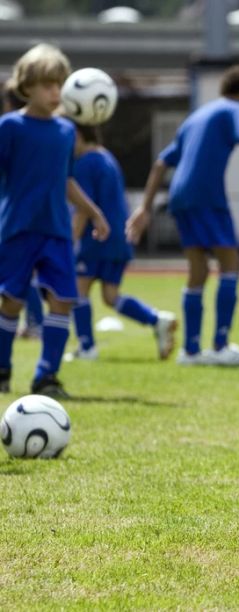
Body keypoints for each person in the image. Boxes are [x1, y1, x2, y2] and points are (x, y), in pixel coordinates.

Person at [126, 64, 239, 366]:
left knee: (197, 271)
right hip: (206, 196)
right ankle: (220, 345)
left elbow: (161, 164)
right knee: (230, 265)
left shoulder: (197, 116)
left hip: (180, 196)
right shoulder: (234, 108)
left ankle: (190, 351)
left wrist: (144, 208)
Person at [0, 43, 110, 397]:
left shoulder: (65, 132)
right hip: (18, 227)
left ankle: (47, 377)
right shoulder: (10, 127)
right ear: (26, 87)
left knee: (63, 298)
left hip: (57, 231)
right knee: (11, 302)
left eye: (58, 84)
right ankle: (2, 369)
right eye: (47, 85)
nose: (53, 92)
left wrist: (93, 212)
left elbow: (66, 181)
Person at [67, 123, 177, 361]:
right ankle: (157, 320)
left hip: (96, 239)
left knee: (78, 290)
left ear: (76, 136)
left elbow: (84, 209)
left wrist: (70, 241)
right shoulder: (106, 157)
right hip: (119, 238)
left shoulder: (85, 162)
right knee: (110, 296)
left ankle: (86, 348)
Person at [1, 78, 44, 340]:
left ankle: (36, 323)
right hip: (25, 215)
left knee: (19, 276)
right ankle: (35, 322)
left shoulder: (12, 130)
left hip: (15, 217)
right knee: (22, 276)